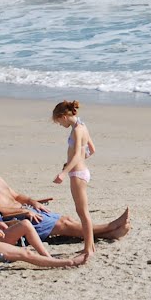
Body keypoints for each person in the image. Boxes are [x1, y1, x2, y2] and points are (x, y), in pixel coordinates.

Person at [0, 146, 129, 246]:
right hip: (15, 220)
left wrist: (32, 202)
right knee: (64, 225)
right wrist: (24, 212)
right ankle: (110, 226)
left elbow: (15, 195)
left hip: (26, 211)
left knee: (67, 219)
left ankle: (110, 233)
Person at [51, 99, 97, 260]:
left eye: (58, 121)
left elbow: (77, 154)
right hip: (81, 171)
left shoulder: (77, 130)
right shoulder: (82, 126)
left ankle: (89, 248)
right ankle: (89, 246)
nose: (59, 125)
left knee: (82, 212)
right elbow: (92, 150)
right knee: (82, 211)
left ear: (63, 116)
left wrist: (64, 172)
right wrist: (77, 162)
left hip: (77, 174)